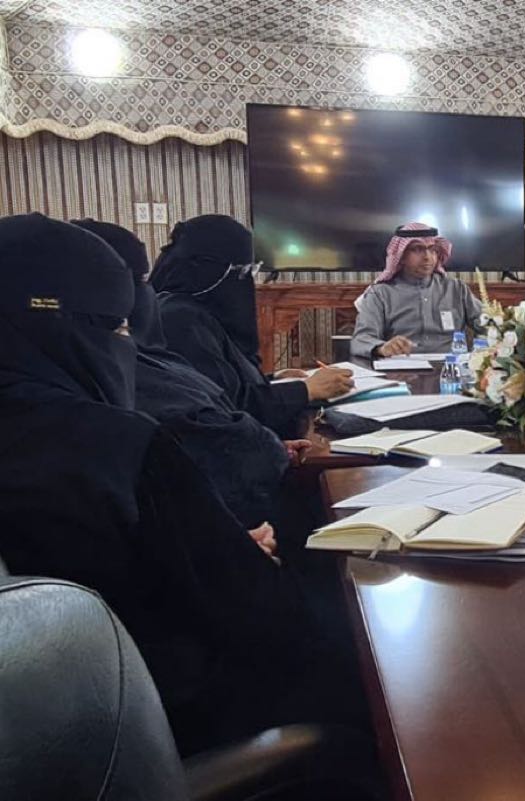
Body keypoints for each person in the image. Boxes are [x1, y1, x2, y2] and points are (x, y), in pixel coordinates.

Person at [0, 213, 359, 754]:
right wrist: (236, 551)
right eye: (115, 328)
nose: (126, 345)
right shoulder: (118, 446)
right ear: (70, 326)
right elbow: (259, 612)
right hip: (160, 718)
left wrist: (213, 547)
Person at [73, 218, 299, 529]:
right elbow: (206, 433)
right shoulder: (177, 321)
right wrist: (302, 395)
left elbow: (215, 399)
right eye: (242, 272)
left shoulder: (145, 349)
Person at [151, 214, 352, 438]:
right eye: (243, 272)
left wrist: (272, 379)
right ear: (211, 271)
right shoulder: (181, 321)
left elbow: (222, 382)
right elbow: (227, 409)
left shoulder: (191, 309)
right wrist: (306, 389)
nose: (248, 282)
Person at [351, 222, 482, 358]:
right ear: (401, 256)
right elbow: (361, 340)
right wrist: (382, 348)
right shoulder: (380, 293)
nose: (427, 257)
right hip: (401, 366)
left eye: (432, 249)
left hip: (452, 366)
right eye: (417, 249)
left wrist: (481, 354)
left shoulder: (456, 289)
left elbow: (488, 324)